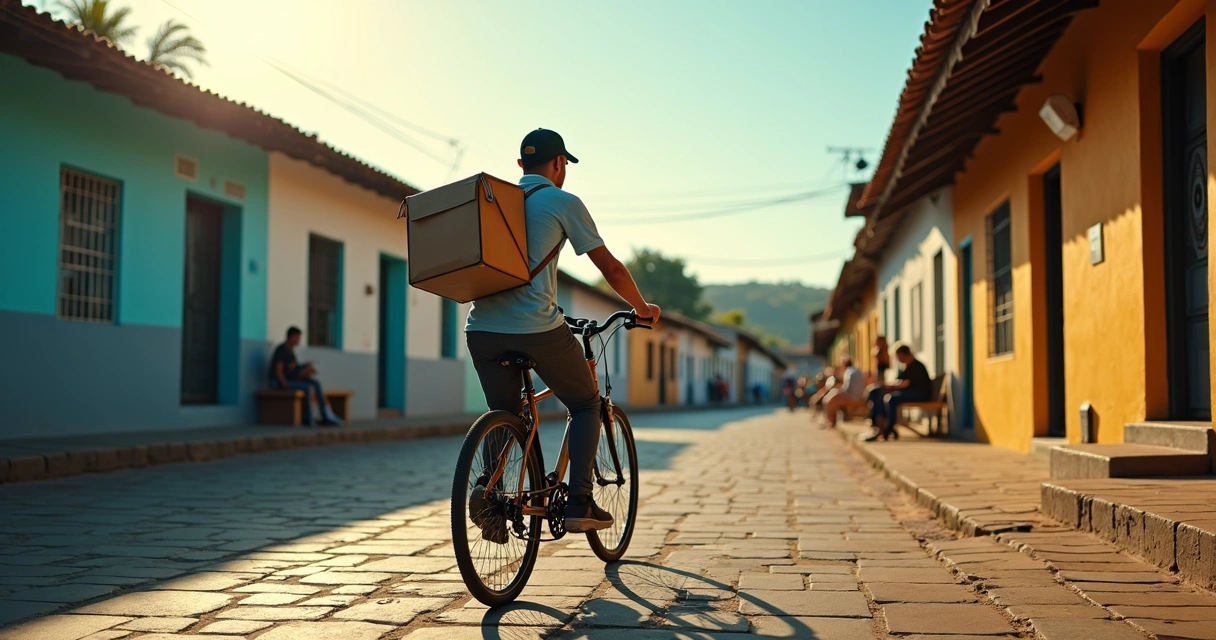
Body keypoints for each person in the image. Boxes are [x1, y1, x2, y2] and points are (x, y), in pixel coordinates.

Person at [465, 128, 661, 535]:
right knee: (586, 404)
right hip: (536, 328)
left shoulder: (495, 202)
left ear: (521, 166)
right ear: (559, 165)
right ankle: (579, 502)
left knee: (505, 413)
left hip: (480, 329)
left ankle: (490, 491)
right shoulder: (562, 201)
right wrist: (642, 309)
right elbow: (611, 269)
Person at [268, 326, 342, 426]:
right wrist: (284, 385)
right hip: (280, 382)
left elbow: (293, 371)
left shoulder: (291, 351)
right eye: (298, 337)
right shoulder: (282, 350)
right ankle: (307, 418)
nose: (299, 340)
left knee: (315, 383)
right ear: (292, 337)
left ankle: (326, 415)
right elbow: (279, 371)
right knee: (307, 388)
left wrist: (305, 372)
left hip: (291, 380)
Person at [864, 345, 932, 441]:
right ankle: (878, 425)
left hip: (920, 394)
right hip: (912, 392)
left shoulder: (916, 366)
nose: (898, 359)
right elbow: (901, 381)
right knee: (877, 392)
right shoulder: (908, 366)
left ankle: (888, 428)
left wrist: (891, 387)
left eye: (898, 356)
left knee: (891, 399)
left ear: (902, 355)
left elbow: (904, 383)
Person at [821, 358, 867, 428]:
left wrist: (838, 390)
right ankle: (831, 420)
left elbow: (846, 389)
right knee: (833, 395)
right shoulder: (857, 370)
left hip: (854, 398)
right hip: (859, 396)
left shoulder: (848, 372)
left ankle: (831, 421)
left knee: (832, 398)